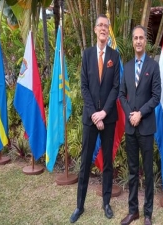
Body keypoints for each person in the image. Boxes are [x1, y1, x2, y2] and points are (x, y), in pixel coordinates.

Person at [70, 14, 120, 223]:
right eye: (99, 25)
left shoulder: (114, 56)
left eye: (105, 26)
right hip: (91, 119)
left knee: (107, 162)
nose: (102, 28)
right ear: (94, 29)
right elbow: (84, 87)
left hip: (107, 119)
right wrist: (94, 114)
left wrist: (104, 113)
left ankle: (106, 203)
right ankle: (79, 206)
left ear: (108, 31)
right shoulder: (87, 55)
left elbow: (116, 87)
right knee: (85, 164)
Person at [119, 25, 161, 225]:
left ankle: (147, 214)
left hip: (146, 128)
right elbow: (121, 94)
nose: (138, 41)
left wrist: (140, 114)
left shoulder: (153, 66)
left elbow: (156, 97)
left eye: (141, 38)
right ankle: (133, 211)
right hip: (130, 128)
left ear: (145, 41)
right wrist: (130, 115)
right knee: (133, 171)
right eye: (135, 38)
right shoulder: (126, 67)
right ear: (132, 41)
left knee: (148, 171)